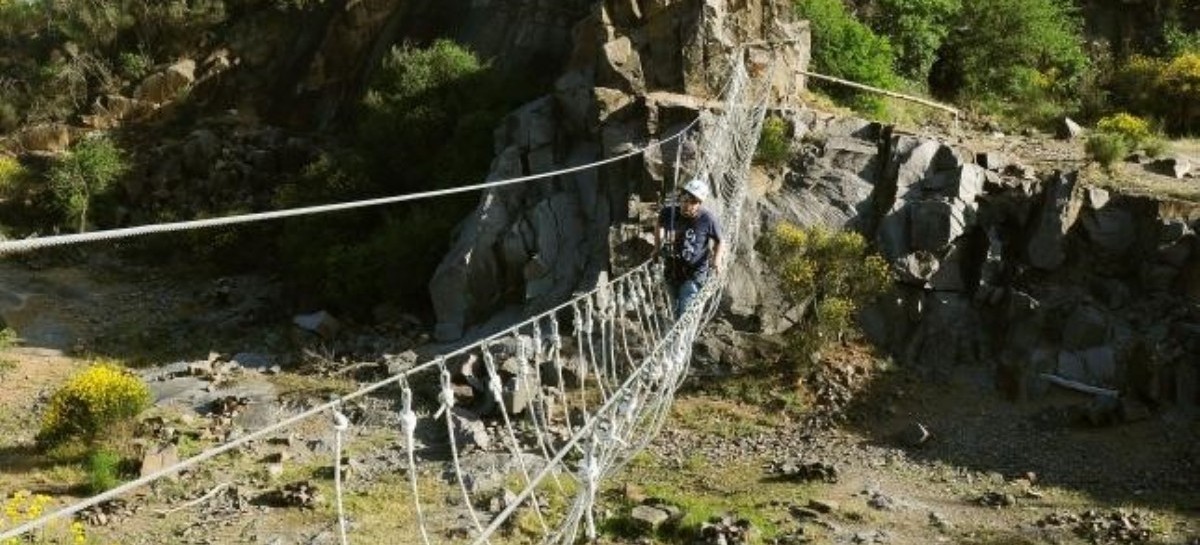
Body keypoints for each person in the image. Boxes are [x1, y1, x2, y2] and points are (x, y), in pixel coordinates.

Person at [655, 178, 723, 319]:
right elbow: (659, 224)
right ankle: (676, 338)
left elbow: (720, 241)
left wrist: (717, 261)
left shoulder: (707, 219)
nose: (687, 205)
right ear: (680, 199)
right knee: (674, 311)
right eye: (685, 200)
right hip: (672, 269)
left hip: (694, 273)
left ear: (699, 204)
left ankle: (681, 339)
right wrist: (657, 247)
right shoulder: (669, 213)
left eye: (693, 202)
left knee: (685, 314)